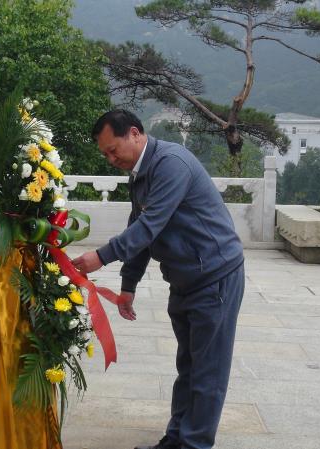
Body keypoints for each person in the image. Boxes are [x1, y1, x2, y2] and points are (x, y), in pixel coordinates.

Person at [71, 110, 245, 449]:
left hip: (215, 276)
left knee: (207, 372)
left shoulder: (171, 164)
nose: (110, 159)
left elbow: (150, 226)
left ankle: (195, 444)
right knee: (189, 366)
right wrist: (127, 286)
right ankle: (177, 438)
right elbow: (141, 228)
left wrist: (101, 257)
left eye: (113, 150)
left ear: (134, 133)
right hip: (185, 280)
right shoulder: (139, 174)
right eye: (105, 153)